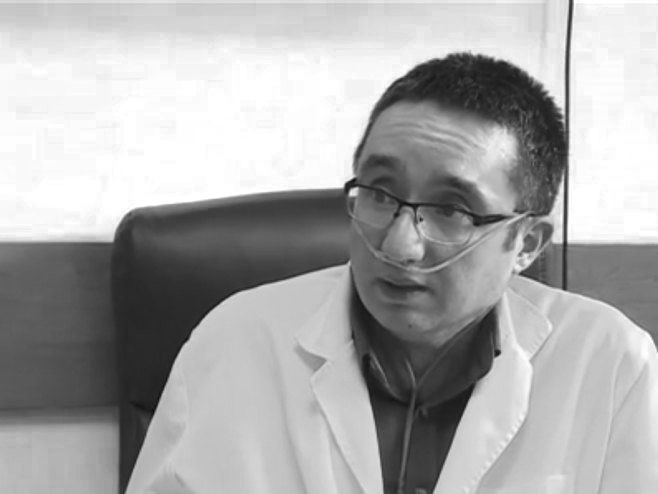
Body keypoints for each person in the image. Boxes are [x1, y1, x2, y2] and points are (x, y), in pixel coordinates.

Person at [126, 53, 658, 494]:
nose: (399, 245)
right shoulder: (236, 341)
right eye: (380, 193)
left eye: (451, 209)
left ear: (526, 243)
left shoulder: (609, 363)